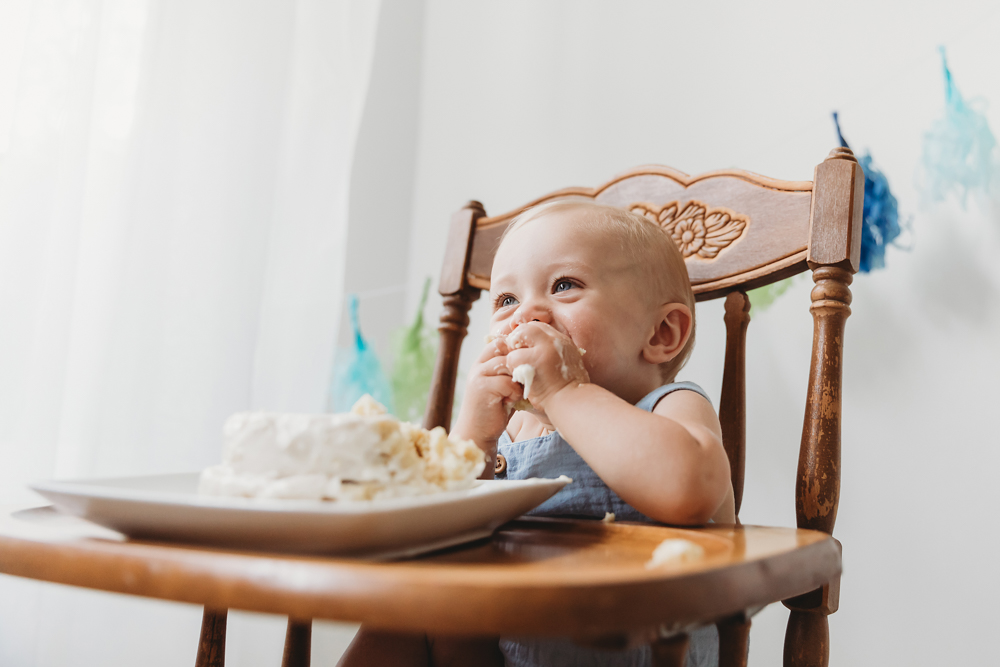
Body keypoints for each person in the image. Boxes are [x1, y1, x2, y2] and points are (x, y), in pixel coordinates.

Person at [339, 200, 734, 667]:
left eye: (564, 286)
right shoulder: (512, 428)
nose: (524, 315)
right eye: (506, 300)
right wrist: (474, 440)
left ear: (662, 334)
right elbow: (441, 522)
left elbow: (688, 489)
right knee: (407, 604)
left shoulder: (669, 407)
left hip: (634, 646)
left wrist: (566, 391)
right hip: (499, 645)